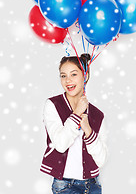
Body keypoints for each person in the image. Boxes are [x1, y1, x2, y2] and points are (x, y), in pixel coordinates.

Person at [40, 53, 108, 194]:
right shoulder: (52, 105)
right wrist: (76, 114)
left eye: (74, 74)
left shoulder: (97, 115)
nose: (68, 80)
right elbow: (60, 144)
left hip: (93, 184)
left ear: (86, 76)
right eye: (63, 75)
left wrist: (88, 130)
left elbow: (101, 160)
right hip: (65, 185)